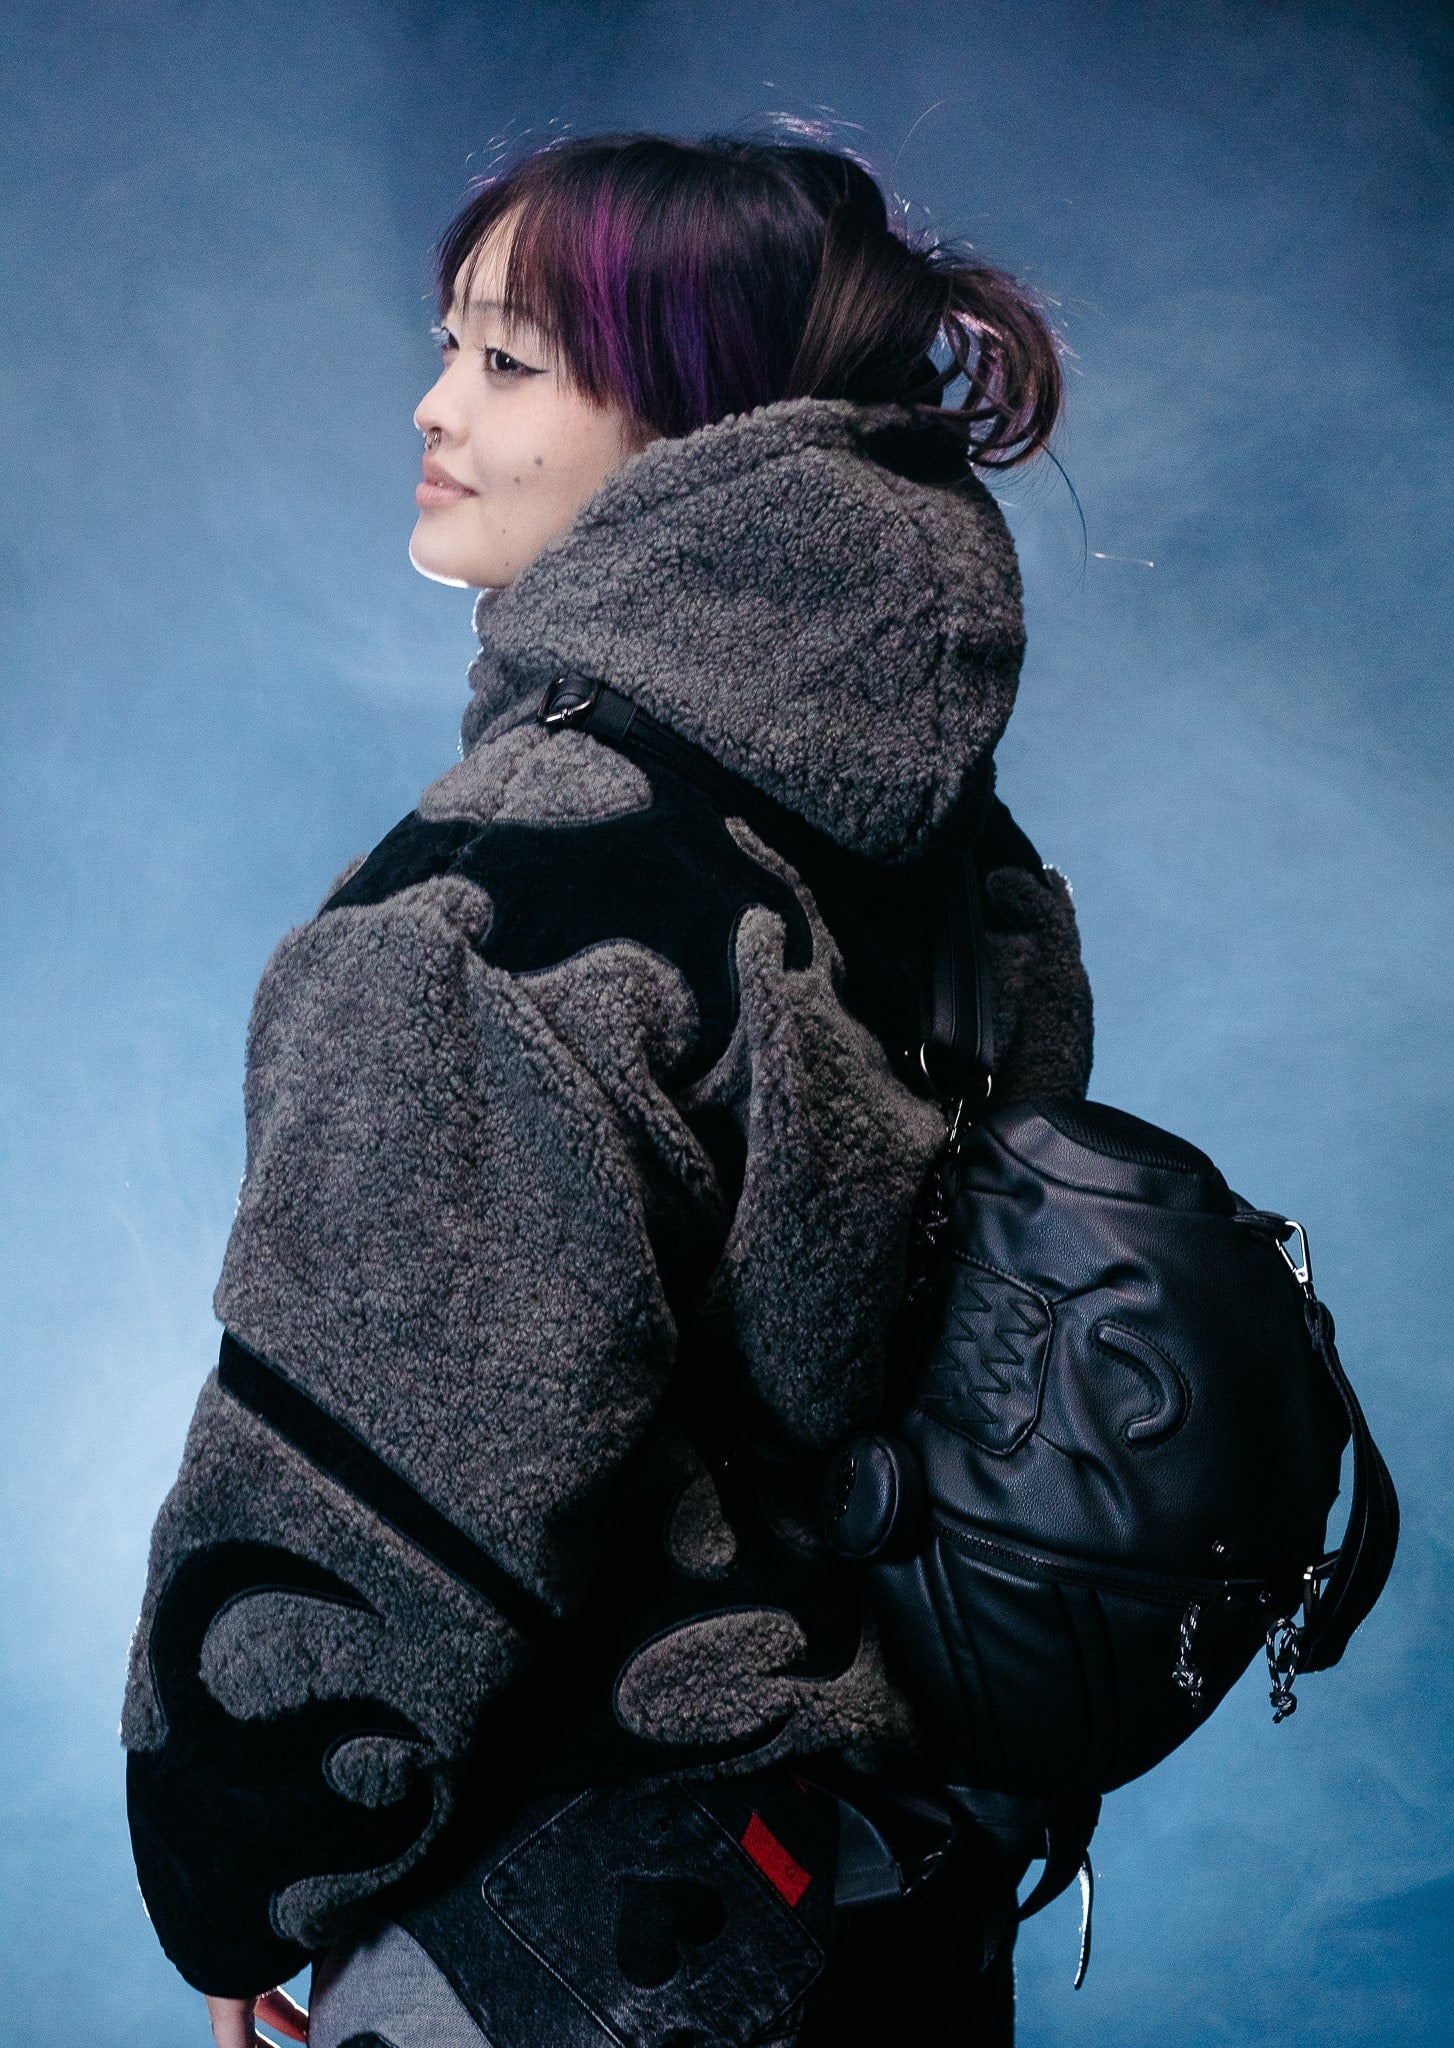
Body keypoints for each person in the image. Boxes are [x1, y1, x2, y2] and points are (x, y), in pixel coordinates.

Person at [121, 130, 1094, 2048]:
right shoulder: (963, 880)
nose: (433, 406)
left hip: (564, 1929)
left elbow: (370, 1486)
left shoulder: (508, 892)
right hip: (901, 1897)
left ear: (696, 433)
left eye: (508, 361)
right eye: (448, 347)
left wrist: (237, 1872)